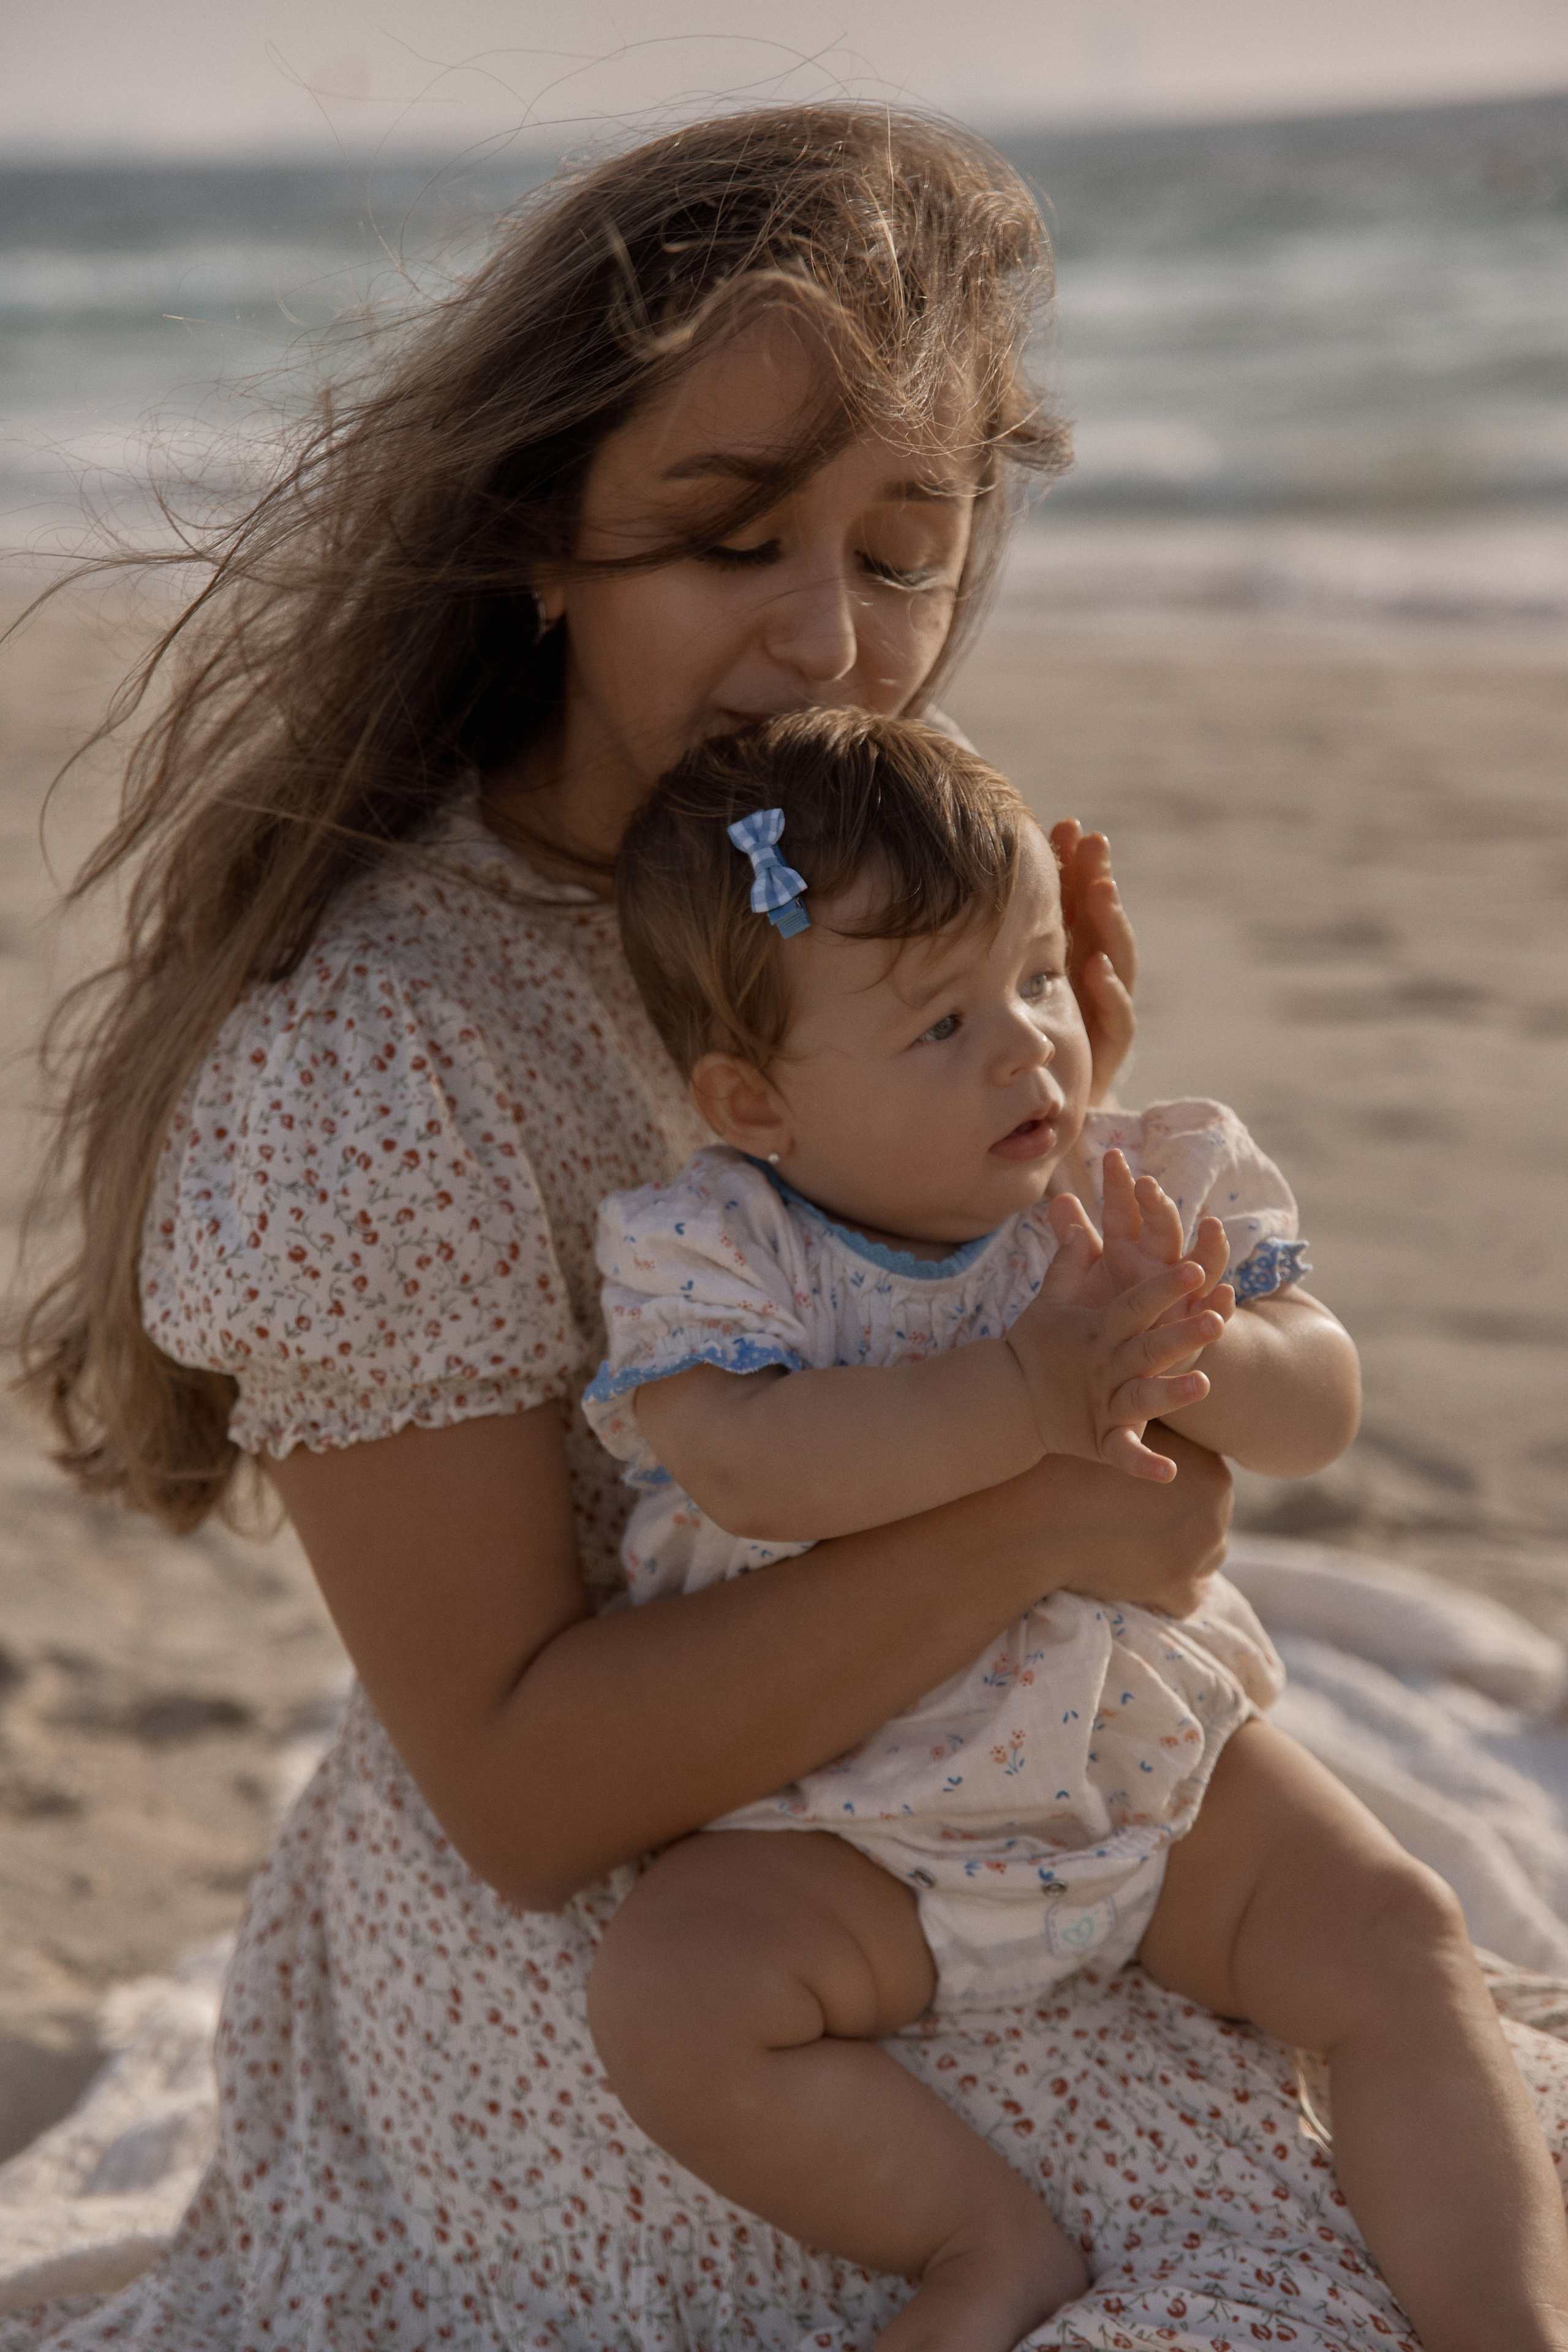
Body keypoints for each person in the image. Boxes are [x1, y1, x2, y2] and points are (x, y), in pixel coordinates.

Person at [13, 102, 1568, 2350]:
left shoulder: (835, 888)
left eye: (904, 549)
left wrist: (1062, 1118)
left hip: (1016, 1768)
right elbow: (532, 1797)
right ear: (540, 530)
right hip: (659, 1953)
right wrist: (1046, 1505)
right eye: (731, 535)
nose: (829, 638)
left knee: (1432, 2135)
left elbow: (986, 1300)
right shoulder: (379, 1055)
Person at [579, 709, 1568, 2352]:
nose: (1030, 1051)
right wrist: (1027, 1399)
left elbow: (1320, 1407)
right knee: (669, 2000)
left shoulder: (1138, 1185)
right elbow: (748, 1465)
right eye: (942, 1023)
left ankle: (1503, 2327)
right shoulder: (718, 1248)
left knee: (1399, 1935)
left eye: (1038, 980)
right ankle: (980, 2243)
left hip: (1143, 1764)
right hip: (846, 1818)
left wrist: (1209, 1347)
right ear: (755, 1098)